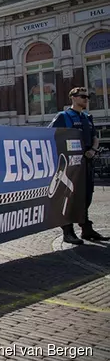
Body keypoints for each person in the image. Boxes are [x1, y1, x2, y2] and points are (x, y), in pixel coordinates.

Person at [49, 87, 109, 244]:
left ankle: (86, 229)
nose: (86, 99)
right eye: (83, 96)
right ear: (73, 98)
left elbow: (95, 137)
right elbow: (49, 136)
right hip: (71, 165)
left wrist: (93, 150)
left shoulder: (87, 117)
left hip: (87, 163)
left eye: (87, 97)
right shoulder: (63, 117)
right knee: (68, 197)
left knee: (86, 195)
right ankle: (68, 232)